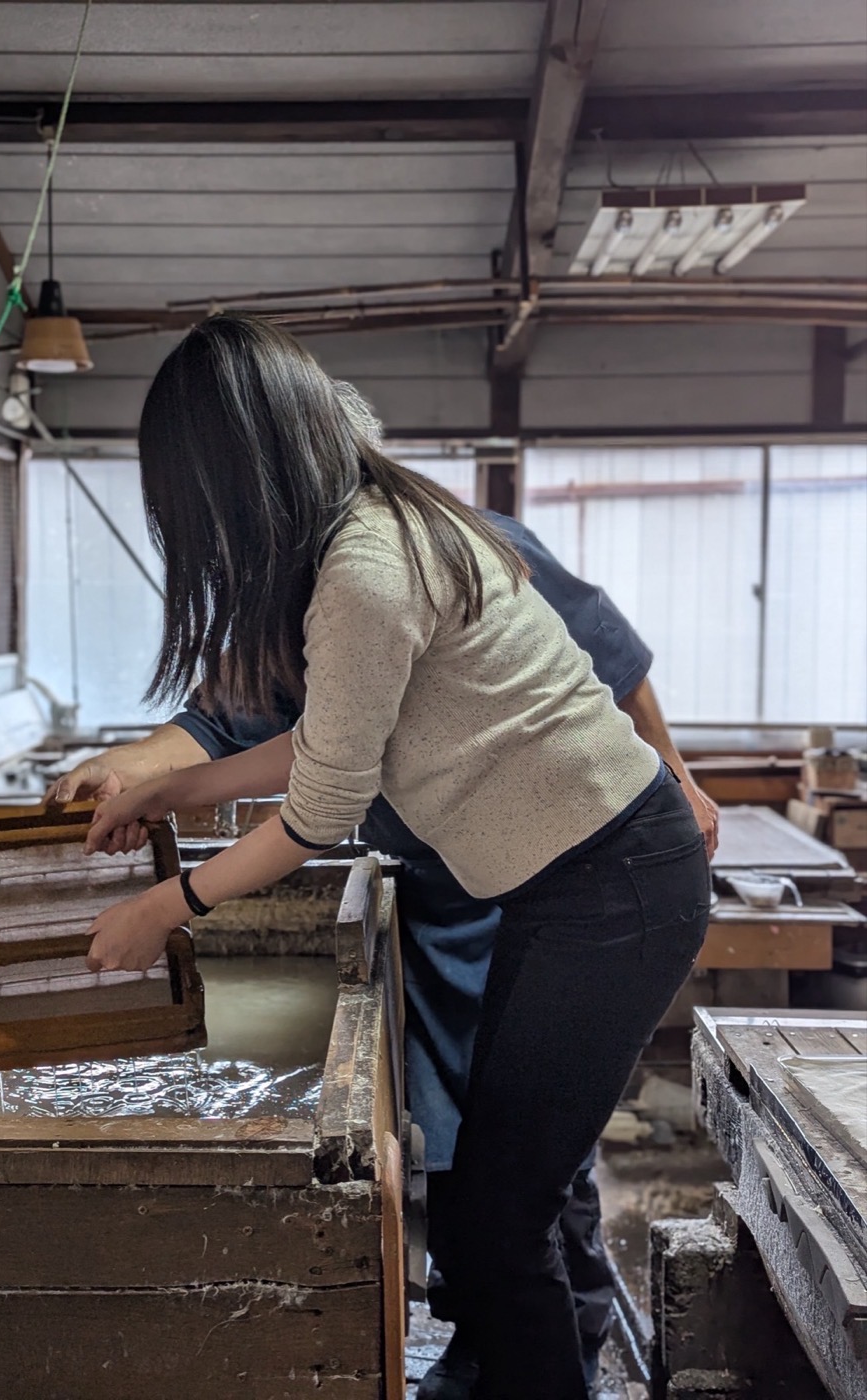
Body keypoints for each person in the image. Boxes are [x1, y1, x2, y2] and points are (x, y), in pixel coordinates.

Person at [59, 313, 713, 1400]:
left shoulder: (364, 568)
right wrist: (176, 783)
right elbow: (330, 738)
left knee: (496, 1222)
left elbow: (320, 810)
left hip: (614, 888)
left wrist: (166, 906)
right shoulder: (381, 527)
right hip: (568, 889)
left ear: (238, 478)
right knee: (497, 1209)